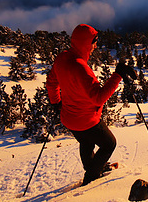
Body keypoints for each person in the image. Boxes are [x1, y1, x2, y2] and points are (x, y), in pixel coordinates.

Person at [46, 23, 138, 185]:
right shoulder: (80, 67)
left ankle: (93, 167)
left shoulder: (62, 58)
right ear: (85, 43)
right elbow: (98, 98)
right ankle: (92, 177)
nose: (96, 45)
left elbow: (51, 83)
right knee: (109, 143)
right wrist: (117, 75)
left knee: (86, 142)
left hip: (68, 118)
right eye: (94, 42)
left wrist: (56, 103)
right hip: (87, 119)